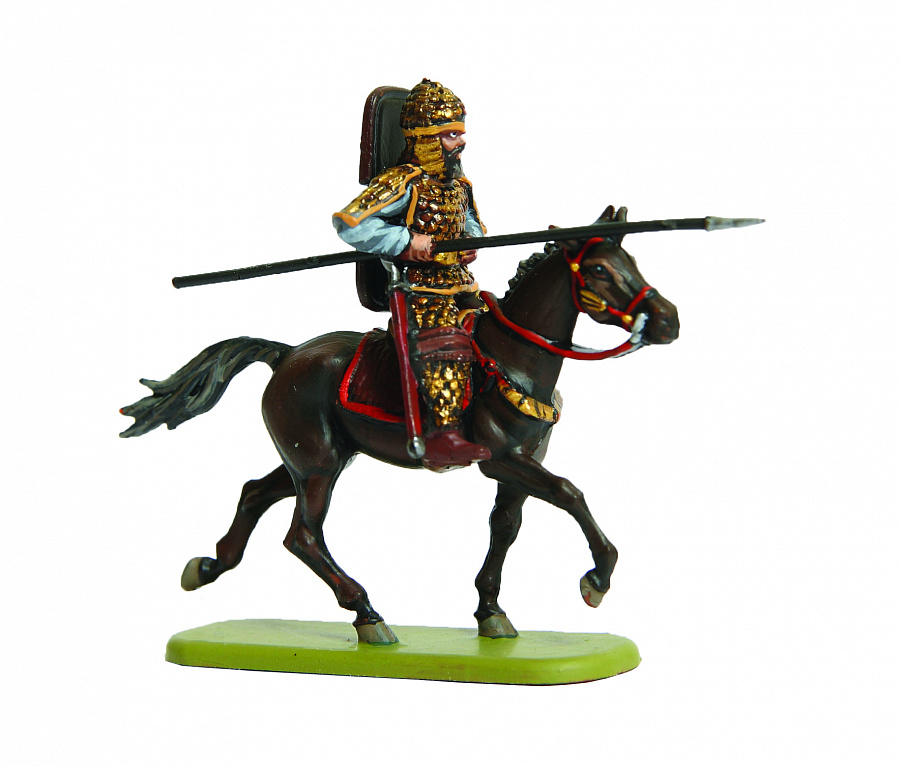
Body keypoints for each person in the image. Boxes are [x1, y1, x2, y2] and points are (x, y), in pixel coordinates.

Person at [333, 79, 490, 469]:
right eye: (451, 135)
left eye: (460, 133)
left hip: (462, 285)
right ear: (426, 139)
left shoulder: (459, 185)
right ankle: (444, 435)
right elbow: (351, 222)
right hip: (420, 289)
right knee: (445, 345)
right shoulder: (402, 182)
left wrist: (470, 240)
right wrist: (406, 241)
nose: (461, 142)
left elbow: (471, 221)